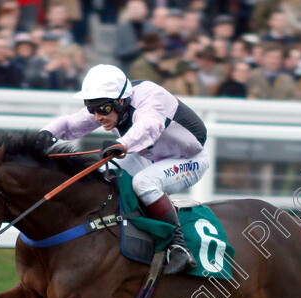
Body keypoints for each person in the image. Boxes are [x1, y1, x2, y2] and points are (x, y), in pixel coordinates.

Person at [37, 64, 210, 275]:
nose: (98, 117)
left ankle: (179, 247)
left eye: (103, 110)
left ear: (121, 101)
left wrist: (123, 144)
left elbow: (148, 126)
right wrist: (47, 133)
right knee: (104, 172)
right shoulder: (111, 103)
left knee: (144, 183)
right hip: (150, 156)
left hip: (189, 159)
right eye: (93, 109)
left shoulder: (150, 96)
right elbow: (72, 123)